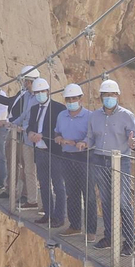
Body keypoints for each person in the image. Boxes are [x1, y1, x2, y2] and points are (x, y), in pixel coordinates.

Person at [86, 79, 135, 254]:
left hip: (120, 161)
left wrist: (133, 144)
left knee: (123, 202)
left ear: (118, 96)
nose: (109, 97)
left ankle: (129, 242)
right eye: (106, 95)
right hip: (100, 160)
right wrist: (83, 144)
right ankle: (109, 237)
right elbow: (90, 138)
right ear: (101, 96)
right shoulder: (94, 116)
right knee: (106, 201)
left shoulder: (127, 116)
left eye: (112, 94)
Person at [23, 77, 64, 224]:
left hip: (54, 152)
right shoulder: (34, 109)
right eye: (37, 92)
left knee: (58, 185)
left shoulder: (59, 108)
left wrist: (42, 135)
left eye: (42, 91)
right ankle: (48, 214)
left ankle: (59, 217)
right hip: (39, 151)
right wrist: (30, 133)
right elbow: (31, 125)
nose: (40, 94)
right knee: (44, 184)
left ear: (48, 91)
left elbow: (59, 130)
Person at [55, 83, 92, 236]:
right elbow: (57, 132)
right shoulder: (61, 115)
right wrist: (59, 139)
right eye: (68, 99)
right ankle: (75, 226)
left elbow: (92, 137)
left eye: (74, 98)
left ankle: (91, 230)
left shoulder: (89, 116)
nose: (71, 101)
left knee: (88, 194)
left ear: (80, 99)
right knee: (72, 193)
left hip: (84, 158)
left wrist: (83, 143)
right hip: (67, 156)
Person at [5, 67, 42, 209]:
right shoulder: (27, 96)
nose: (25, 84)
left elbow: (38, 119)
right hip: (26, 136)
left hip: (35, 138)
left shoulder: (39, 98)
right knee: (28, 170)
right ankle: (32, 200)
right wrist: (11, 124)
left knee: (34, 171)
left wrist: (24, 128)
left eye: (26, 81)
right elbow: (25, 115)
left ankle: (34, 200)